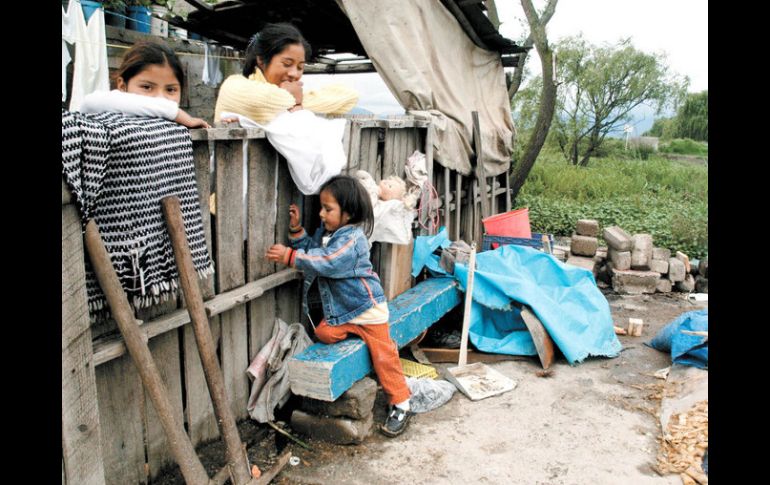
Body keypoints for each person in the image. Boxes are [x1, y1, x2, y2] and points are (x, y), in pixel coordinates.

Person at [265, 175, 414, 437]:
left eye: (328, 209)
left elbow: (329, 262)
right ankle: (356, 336)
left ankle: (401, 402)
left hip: (367, 310)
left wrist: (290, 256)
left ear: (349, 213)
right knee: (323, 333)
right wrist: (297, 232)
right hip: (344, 313)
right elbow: (314, 251)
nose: (321, 214)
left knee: (384, 355)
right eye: (321, 208)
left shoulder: (353, 238)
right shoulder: (330, 235)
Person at [214, 22, 358, 124]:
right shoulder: (234, 86)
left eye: (300, 67)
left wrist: (298, 102)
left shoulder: (292, 96)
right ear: (262, 60)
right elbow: (264, 101)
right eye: (287, 64)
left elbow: (350, 96)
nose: (294, 74)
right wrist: (296, 103)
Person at [80, 40, 210, 128]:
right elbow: (90, 102)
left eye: (170, 90)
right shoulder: (111, 115)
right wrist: (174, 112)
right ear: (122, 86)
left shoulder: (177, 130)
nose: (160, 98)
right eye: (147, 87)